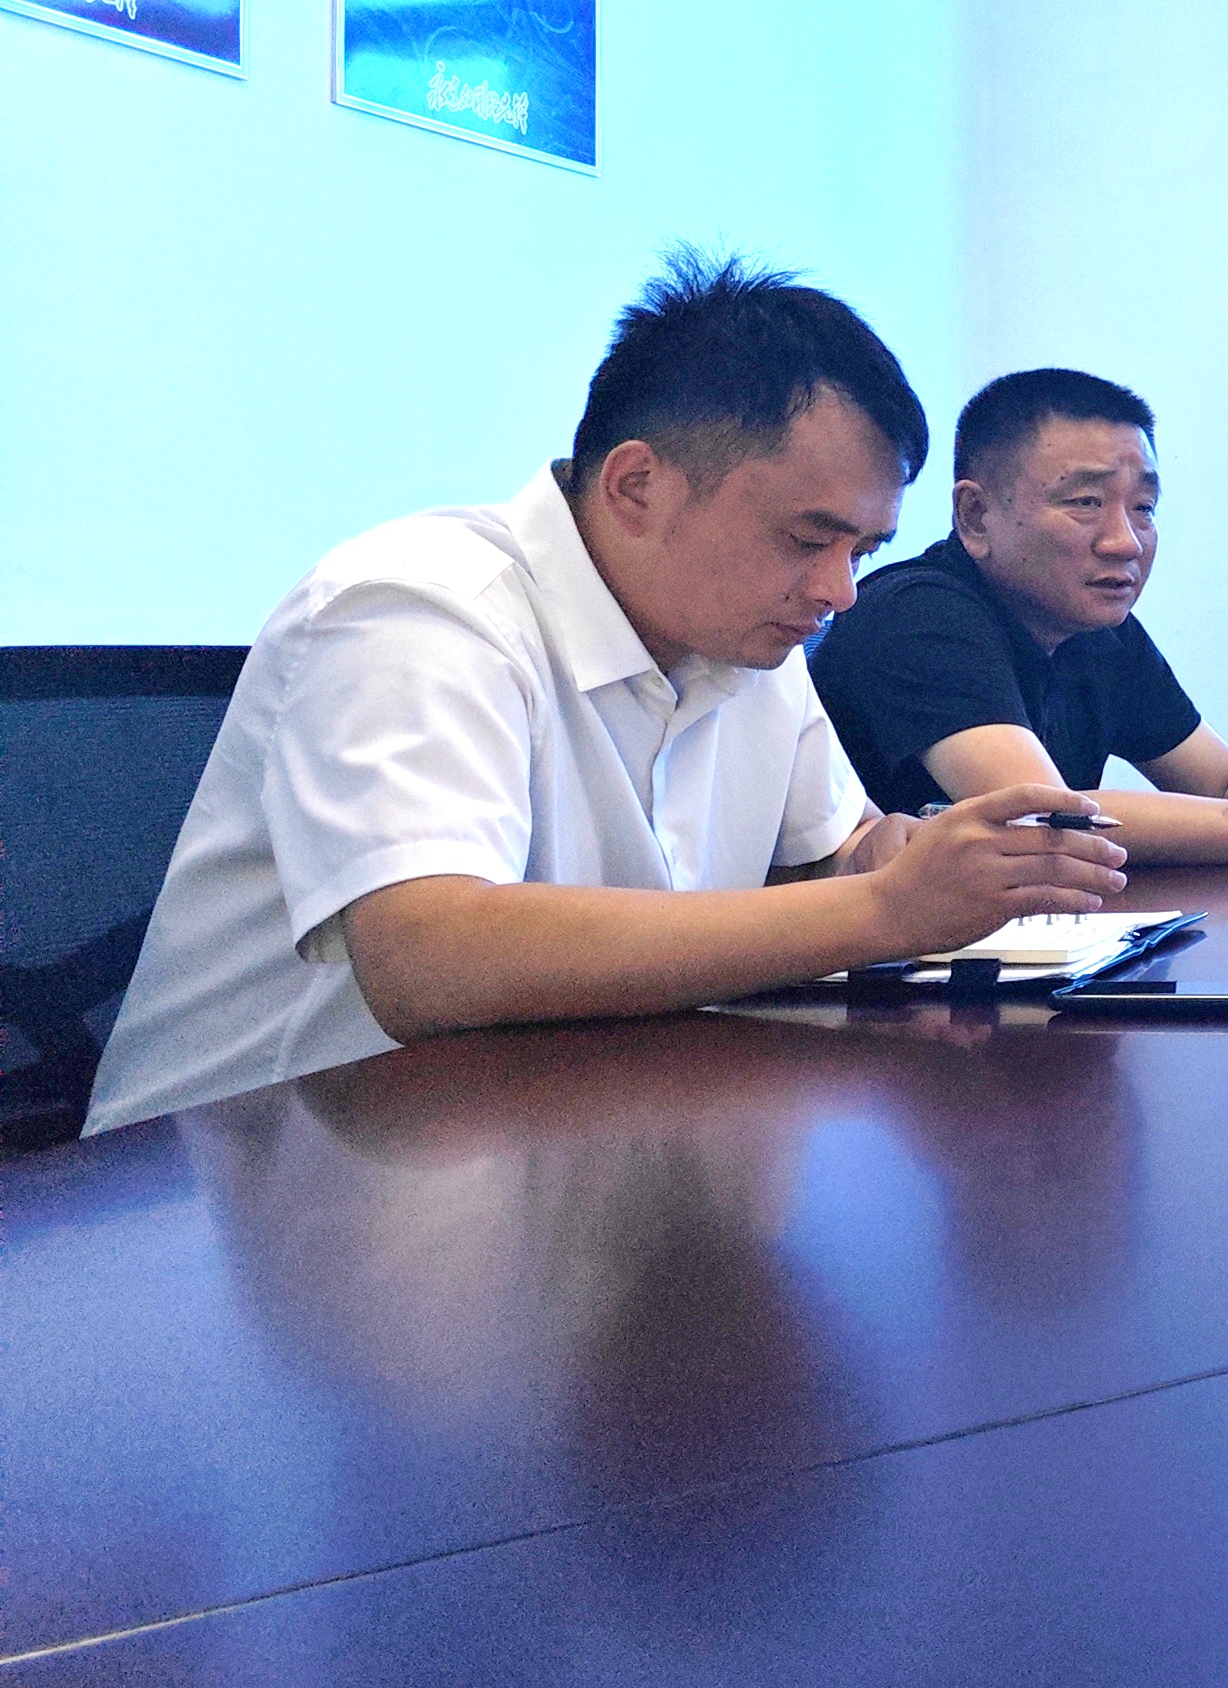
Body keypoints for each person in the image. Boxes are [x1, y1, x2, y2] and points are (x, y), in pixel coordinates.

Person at [80, 263, 1131, 1137]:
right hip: (227, 1205)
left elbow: (825, 858)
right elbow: (428, 956)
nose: (838, 591)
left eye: (862, 550)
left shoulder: (754, 639)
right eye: (808, 538)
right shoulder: (417, 607)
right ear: (636, 485)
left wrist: (894, 858)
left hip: (554, 1137)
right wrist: (883, 907)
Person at [809, 369, 1228, 870]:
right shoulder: (914, 615)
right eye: (1085, 503)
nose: (1124, 542)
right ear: (976, 516)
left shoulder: (1095, 627)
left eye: (1144, 508)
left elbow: (1223, 779)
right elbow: (1045, 812)